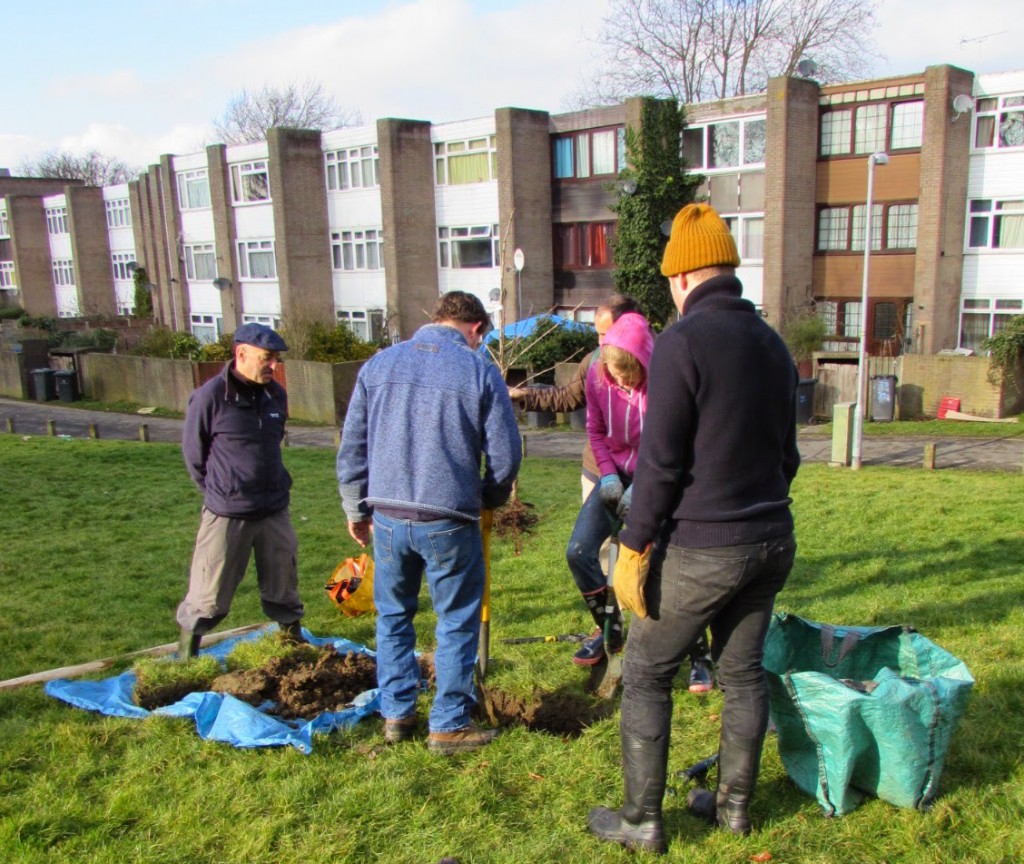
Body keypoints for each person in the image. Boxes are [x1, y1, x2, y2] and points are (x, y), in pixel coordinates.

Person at [587, 203, 800, 854]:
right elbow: (789, 456)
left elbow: (661, 462)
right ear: (727, 271)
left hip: (707, 546)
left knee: (649, 671)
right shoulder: (774, 344)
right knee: (742, 677)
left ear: (681, 278)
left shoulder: (682, 342)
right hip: (773, 541)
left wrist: (633, 546)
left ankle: (642, 822)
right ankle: (733, 811)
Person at [337, 291, 522, 755]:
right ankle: (448, 725)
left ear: (435, 318)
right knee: (456, 621)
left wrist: (356, 510)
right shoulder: (480, 370)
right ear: (476, 329)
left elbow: (352, 447)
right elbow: (506, 454)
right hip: (450, 520)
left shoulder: (377, 366)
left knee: (393, 616)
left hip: (388, 520)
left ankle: (397, 715)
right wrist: (490, 498)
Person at [177, 323, 304, 659]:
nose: (273, 366)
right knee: (209, 593)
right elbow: (194, 456)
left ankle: (293, 650)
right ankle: (187, 659)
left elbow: (271, 443)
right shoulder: (209, 398)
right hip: (227, 512)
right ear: (242, 353)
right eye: (267, 358)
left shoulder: (275, 395)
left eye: (276, 359)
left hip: (274, 509)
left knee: (284, 585)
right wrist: (223, 491)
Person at [565, 311, 653, 667]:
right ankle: (610, 626)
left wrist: (645, 485)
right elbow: (596, 430)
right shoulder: (598, 378)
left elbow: (668, 441)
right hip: (613, 473)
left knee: (662, 564)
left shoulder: (662, 381)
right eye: (616, 374)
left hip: (655, 477)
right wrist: (608, 475)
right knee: (579, 552)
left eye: (628, 375)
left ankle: (697, 652)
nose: (621, 381)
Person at [508, 294, 642, 502]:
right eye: (598, 334)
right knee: (596, 536)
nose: (600, 342)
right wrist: (525, 395)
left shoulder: (659, 364)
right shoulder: (593, 362)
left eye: (606, 334)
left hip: (643, 474)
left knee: (642, 534)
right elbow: (568, 397)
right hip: (598, 468)